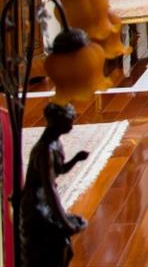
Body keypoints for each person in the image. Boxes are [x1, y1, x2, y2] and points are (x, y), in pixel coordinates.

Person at [21, 102, 89, 267]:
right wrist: (64, 221)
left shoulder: (55, 143)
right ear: (56, 123)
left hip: (45, 201)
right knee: (58, 246)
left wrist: (76, 159)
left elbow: (60, 170)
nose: (71, 126)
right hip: (37, 205)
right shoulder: (45, 150)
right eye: (68, 123)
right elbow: (49, 188)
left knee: (65, 246)